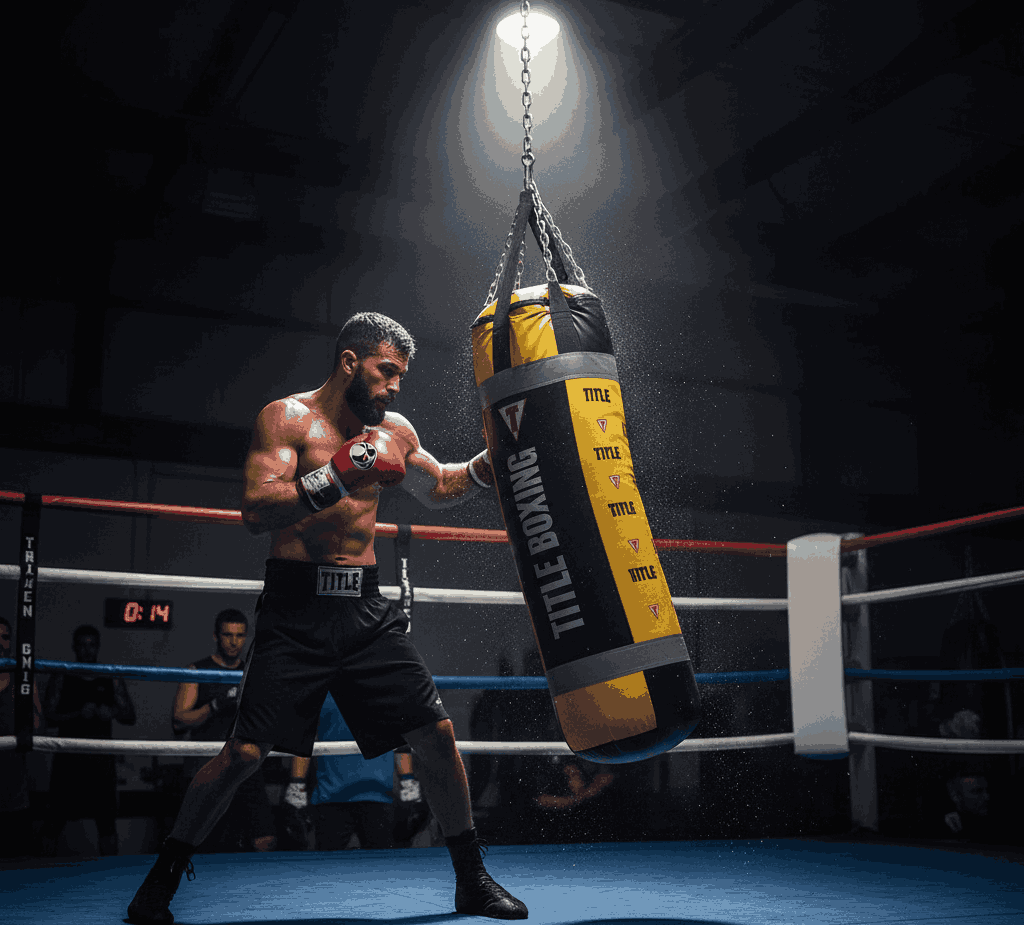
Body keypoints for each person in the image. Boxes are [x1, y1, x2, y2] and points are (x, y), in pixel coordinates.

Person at [128, 312, 527, 922]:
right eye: (387, 372)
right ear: (350, 361)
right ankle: (160, 880)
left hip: (365, 607)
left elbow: (442, 486)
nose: (395, 388)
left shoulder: (394, 431)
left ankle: (471, 877)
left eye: (401, 378)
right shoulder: (285, 418)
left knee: (437, 736)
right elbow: (259, 509)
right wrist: (340, 471)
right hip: (296, 609)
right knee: (243, 753)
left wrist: (491, 455)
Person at [172, 609, 275, 852]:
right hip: (210, 767)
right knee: (209, 841)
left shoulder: (253, 674)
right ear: (216, 636)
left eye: (239, 635)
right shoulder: (197, 670)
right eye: (227, 634)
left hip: (247, 767)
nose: (233, 641)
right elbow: (179, 721)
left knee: (265, 839)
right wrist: (215, 705)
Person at [42, 624, 136, 856]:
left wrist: (110, 711)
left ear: (98, 647)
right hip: (68, 759)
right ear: (74, 647)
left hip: (100, 760)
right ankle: (37, 871)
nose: (87, 650)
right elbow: (47, 716)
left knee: (106, 822)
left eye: (91, 645)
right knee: (53, 820)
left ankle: (111, 879)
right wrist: (76, 714)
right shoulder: (63, 674)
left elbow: (130, 716)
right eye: (82, 645)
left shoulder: (109, 675)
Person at [285, 693, 401, 850]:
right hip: (332, 795)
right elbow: (305, 739)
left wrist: (409, 782)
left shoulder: (386, 688)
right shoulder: (320, 689)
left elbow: (401, 739)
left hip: (378, 794)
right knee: (328, 866)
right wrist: (296, 785)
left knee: (383, 866)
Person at [0, 616, 43, 857]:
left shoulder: (22, 679)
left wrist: (20, 698)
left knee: (15, 864)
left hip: (14, 791)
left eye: (5, 636)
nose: (0, 642)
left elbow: (37, 725)